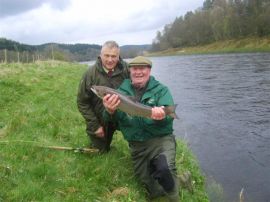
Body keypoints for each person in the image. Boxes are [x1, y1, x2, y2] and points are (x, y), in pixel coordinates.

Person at [102, 56, 180, 201]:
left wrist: (163, 115)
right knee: (152, 189)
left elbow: (169, 119)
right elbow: (110, 121)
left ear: (149, 70)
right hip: (137, 146)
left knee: (164, 170)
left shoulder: (161, 90)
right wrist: (110, 111)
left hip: (160, 141)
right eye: (135, 69)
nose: (138, 72)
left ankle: (175, 198)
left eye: (142, 69)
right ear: (130, 71)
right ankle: (182, 180)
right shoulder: (119, 92)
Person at [77, 40, 129, 152]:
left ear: (118, 56)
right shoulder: (90, 74)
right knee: (101, 151)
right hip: (101, 118)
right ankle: (101, 141)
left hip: (124, 115)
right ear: (100, 55)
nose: (110, 60)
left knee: (139, 142)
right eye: (107, 55)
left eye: (114, 56)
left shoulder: (127, 69)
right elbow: (82, 102)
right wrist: (95, 125)